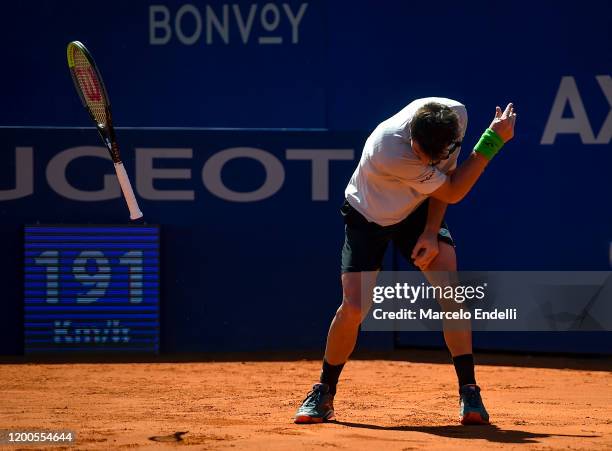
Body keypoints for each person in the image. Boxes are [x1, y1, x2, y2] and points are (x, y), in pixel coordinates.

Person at [294, 97, 517, 425]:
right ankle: (324, 391)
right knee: (354, 307)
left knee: (451, 292)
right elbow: (453, 191)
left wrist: (430, 231)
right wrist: (492, 141)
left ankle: (469, 391)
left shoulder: (455, 119)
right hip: (368, 215)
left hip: (415, 211)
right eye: (420, 153)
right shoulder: (390, 149)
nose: (425, 159)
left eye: (432, 155)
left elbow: (447, 176)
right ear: (412, 137)